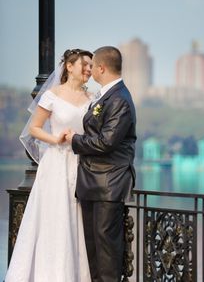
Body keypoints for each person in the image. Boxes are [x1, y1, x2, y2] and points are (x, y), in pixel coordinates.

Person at [5, 49, 93, 282]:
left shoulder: (92, 98)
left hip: (81, 164)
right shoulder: (52, 95)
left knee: (76, 219)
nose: (89, 70)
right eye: (85, 64)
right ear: (69, 66)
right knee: (54, 217)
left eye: (91, 67)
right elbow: (34, 128)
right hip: (56, 163)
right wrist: (55, 139)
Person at [65, 46, 137, 282]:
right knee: (93, 251)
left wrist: (74, 140)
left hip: (108, 184)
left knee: (107, 254)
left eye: (92, 65)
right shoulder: (106, 95)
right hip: (92, 183)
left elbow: (106, 142)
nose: (90, 69)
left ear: (102, 68)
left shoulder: (120, 99)